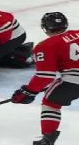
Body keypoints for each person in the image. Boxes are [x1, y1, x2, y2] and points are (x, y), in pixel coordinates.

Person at [10, 12, 79, 145]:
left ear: (45, 28)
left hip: (74, 81)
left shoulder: (45, 46)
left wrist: (28, 91)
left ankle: (47, 140)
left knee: (51, 102)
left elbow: (45, 76)